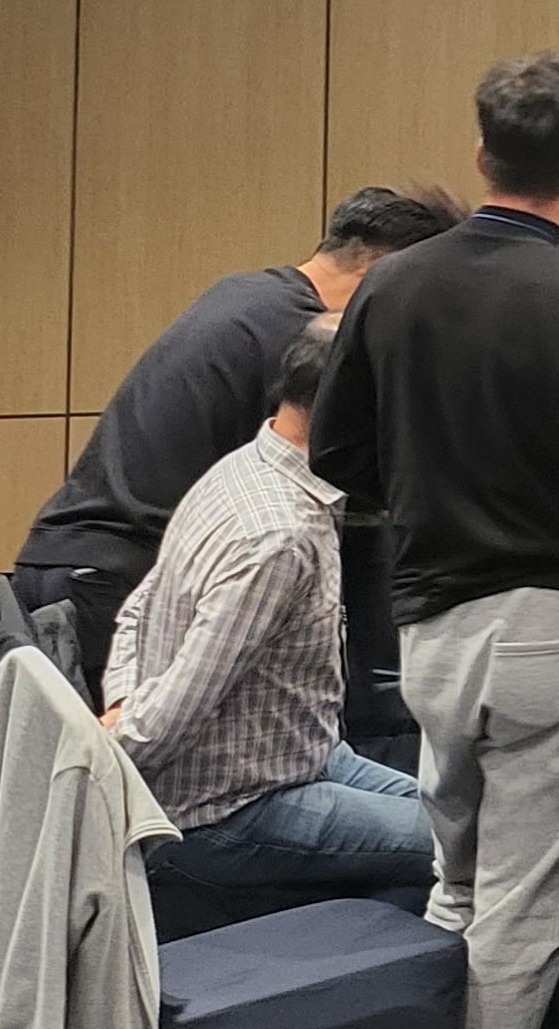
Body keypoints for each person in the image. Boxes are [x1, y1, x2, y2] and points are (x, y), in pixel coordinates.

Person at [308, 53, 559, 1029]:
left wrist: (436, 493)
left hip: (429, 633)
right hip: (551, 631)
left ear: (479, 154)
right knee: (525, 913)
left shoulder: (394, 285)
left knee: (455, 889)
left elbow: (336, 454)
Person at [16, 185, 464, 693]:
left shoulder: (247, 295)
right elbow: (360, 479)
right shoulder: (307, 338)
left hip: (68, 560)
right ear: (384, 273)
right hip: (120, 582)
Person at [101, 325, 432, 909]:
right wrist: (107, 756)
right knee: (472, 848)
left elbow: (138, 607)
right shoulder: (280, 539)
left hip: (300, 756)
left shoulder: (243, 469)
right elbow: (174, 712)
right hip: (225, 811)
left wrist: (122, 701)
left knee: (467, 820)